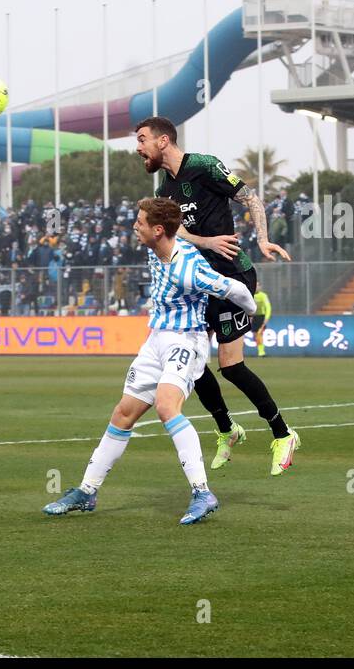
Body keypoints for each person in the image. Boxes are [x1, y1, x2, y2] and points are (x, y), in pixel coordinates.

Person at [42, 197, 258, 524]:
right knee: (123, 412)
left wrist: (252, 310)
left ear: (158, 230)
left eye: (140, 222)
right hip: (156, 338)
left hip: (186, 339)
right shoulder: (156, 246)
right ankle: (87, 491)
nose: (134, 226)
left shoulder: (189, 268)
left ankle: (202, 492)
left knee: (166, 406)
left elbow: (234, 289)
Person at [136, 116, 300, 476]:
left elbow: (251, 198)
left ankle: (283, 433)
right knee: (194, 366)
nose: (138, 147)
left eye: (143, 139)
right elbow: (175, 236)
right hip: (198, 281)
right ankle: (227, 429)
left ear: (164, 141)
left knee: (230, 366)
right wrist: (204, 241)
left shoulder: (204, 166)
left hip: (232, 275)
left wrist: (261, 239)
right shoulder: (166, 190)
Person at [251, 287, 272, 357]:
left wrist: (266, 318)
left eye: (258, 286)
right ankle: (260, 350)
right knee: (255, 336)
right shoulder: (250, 294)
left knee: (259, 334)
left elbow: (268, 307)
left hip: (261, 317)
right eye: (255, 285)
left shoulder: (263, 296)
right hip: (253, 317)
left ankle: (261, 352)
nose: (256, 287)